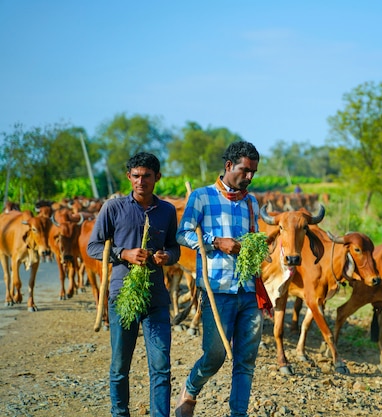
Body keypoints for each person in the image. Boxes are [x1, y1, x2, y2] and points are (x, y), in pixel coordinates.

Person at [87, 152, 181, 417]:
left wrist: (167, 256)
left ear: (157, 178)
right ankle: (120, 413)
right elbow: (93, 247)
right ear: (129, 177)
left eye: (147, 176)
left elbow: (174, 248)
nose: (141, 181)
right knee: (120, 365)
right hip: (123, 297)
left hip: (156, 298)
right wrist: (124, 254)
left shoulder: (166, 211)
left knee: (161, 365)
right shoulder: (113, 208)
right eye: (136, 176)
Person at [175, 141, 264, 417]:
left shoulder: (251, 202)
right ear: (229, 166)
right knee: (215, 356)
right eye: (245, 171)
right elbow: (183, 234)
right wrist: (216, 242)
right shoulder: (202, 197)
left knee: (246, 360)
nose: (249, 177)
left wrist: (256, 248)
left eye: (253, 173)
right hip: (217, 291)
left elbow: (255, 239)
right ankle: (190, 389)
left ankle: (238, 413)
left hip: (249, 290)